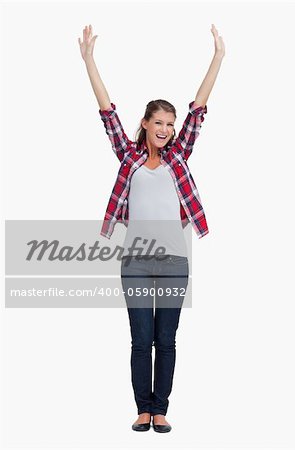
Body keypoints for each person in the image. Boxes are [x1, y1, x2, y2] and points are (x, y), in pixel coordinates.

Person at [78, 23, 225, 433]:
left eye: (170, 124)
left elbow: (200, 107)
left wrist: (217, 57)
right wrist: (90, 61)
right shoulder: (129, 158)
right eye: (158, 122)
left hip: (175, 260)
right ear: (144, 124)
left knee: (168, 340)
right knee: (142, 341)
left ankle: (162, 409)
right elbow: (107, 111)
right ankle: (143, 409)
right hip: (136, 263)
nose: (165, 130)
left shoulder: (179, 155)